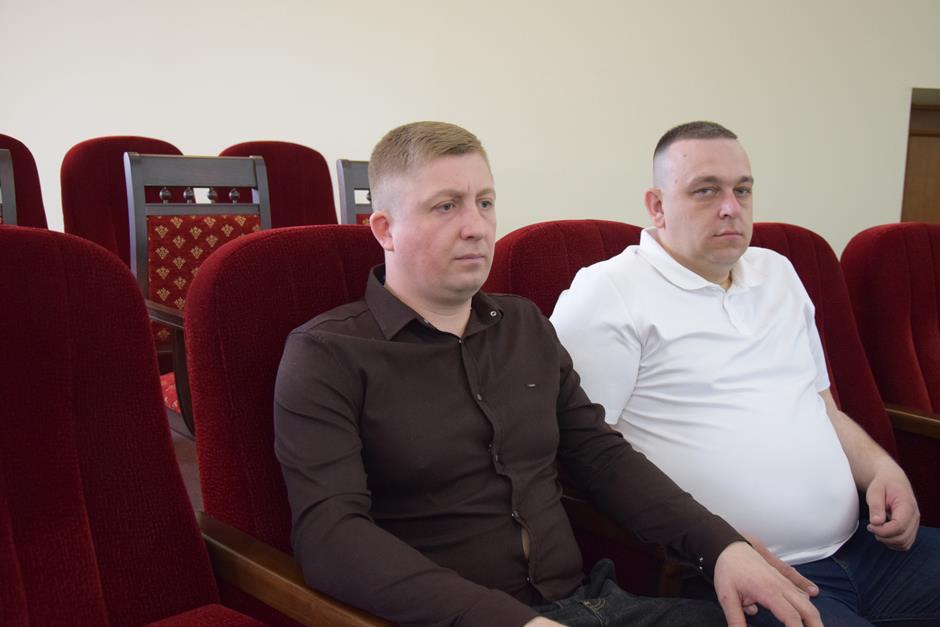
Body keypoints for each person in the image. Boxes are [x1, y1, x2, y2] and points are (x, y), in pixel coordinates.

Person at [274, 121, 822, 627]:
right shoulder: (328, 354)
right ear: (385, 229)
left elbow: (600, 456)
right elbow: (331, 538)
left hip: (593, 604)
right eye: (446, 206)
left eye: (485, 202)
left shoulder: (524, 324)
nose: (476, 227)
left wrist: (721, 547)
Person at [550, 120, 940, 626]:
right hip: (740, 573)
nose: (730, 207)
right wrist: (712, 547)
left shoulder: (778, 272)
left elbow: (821, 404)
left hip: (868, 549)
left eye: (743, 190)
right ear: (657, 205)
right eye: (706, 190)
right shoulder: (609, 292)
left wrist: (883, 470)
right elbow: (579, 453)